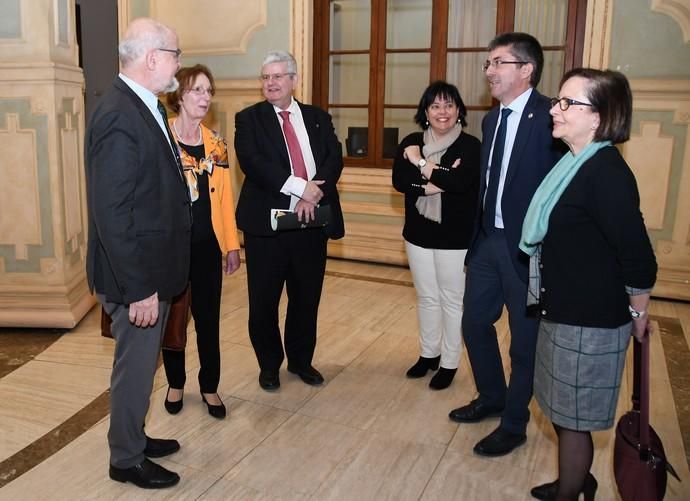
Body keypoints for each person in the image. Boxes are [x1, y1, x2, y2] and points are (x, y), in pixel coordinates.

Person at [522, 68, 657, 501]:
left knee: (575, 418)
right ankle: (576, 480)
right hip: (562, 309)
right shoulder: (574, 164)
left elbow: (638, 256)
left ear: (597, 117)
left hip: (590, 322)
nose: (554, 110)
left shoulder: (607, 174)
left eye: (566, 103)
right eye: (557, 101)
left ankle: (572, 491)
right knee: (563, 412)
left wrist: (638, 313)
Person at [85, 18, 190, 489]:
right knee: (134, 367)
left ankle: (134, 434)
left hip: (149, 269)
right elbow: (112, 213)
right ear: (152, 58)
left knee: (142, 365)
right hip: (136, 278)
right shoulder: (120, 114)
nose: (177, 63)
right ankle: (125, 459)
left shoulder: (142, 105)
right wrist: (139, 288)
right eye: (175, 53)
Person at [448, 32, 563, 456]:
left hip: (530, 253)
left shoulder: (552, 116)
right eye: (488, 64)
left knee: (525, 341)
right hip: (487, 244)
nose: (489, 72)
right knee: (474, 323)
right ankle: (492, 397)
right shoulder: (492, 118)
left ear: (526, 69)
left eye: (498, 63)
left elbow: (561, 190)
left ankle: (514, 424)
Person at [234, 50, 344, 391]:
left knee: (305, 298)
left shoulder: (317, 117)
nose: (271, 83)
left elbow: (333, 158)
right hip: (268, 228)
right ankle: (269, 365)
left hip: (313, 223)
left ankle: (300, 361)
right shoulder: (248, 119)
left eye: (278, 76)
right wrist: (301, 188)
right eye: (266, 77)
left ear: (294, 80)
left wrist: (316, 192)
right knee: (263, 303)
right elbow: (253, 163)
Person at [162, 64, 241, 419]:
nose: (205, 97)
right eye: (197, 90)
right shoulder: (162, 141)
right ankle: (175, 383)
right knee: (174, 320)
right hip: (172, 248)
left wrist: (232, 245)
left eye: (209, 91)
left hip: (208, 246)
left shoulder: (217, 145)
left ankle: (210, 386)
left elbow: (224, 200)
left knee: (208, 320)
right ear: (179, 96)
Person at [392, 81, 480, 390]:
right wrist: (434, 181)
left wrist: (420, 163)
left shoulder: (470, 146)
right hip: (417, 234)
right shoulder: (411, 139)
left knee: (452, 300)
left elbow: (460, 183)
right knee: (427, 297)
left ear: (459, 111)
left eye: (449, 105)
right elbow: (400, 181)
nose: (442, 112)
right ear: (425, 112)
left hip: (455, 238)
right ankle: (429, 354)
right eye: (435, 106)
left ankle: (450, 361)